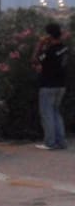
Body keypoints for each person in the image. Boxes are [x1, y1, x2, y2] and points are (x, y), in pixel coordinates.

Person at [33, 22, 68, 150]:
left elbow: (35, 60)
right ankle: (61, 141)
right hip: (61, 85)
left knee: (47, 114)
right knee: (56, 112)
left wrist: (40, 45)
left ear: (49, 35)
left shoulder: (49, 51)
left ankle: (50, 142)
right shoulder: (65, 48)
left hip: (48, 85)